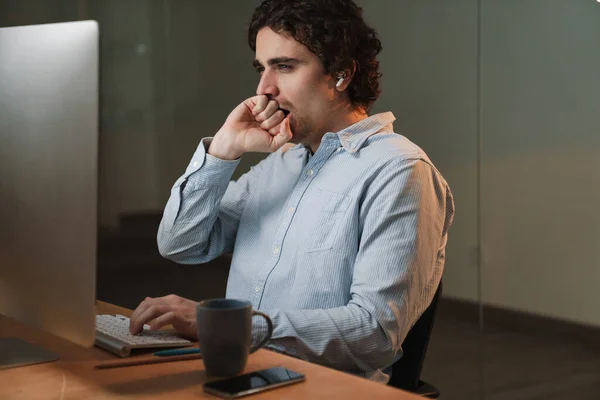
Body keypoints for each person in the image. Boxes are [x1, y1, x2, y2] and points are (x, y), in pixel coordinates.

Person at [129, 0, 454, 383]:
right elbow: (180, 244)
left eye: (284, 66)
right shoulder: (280, 163)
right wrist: (222, 150)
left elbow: (374, 333)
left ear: (341, 75)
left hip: (320, 391)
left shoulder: (400, 171)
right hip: (239, 379)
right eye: (261, 68)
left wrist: (224, 325)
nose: (263, 88)